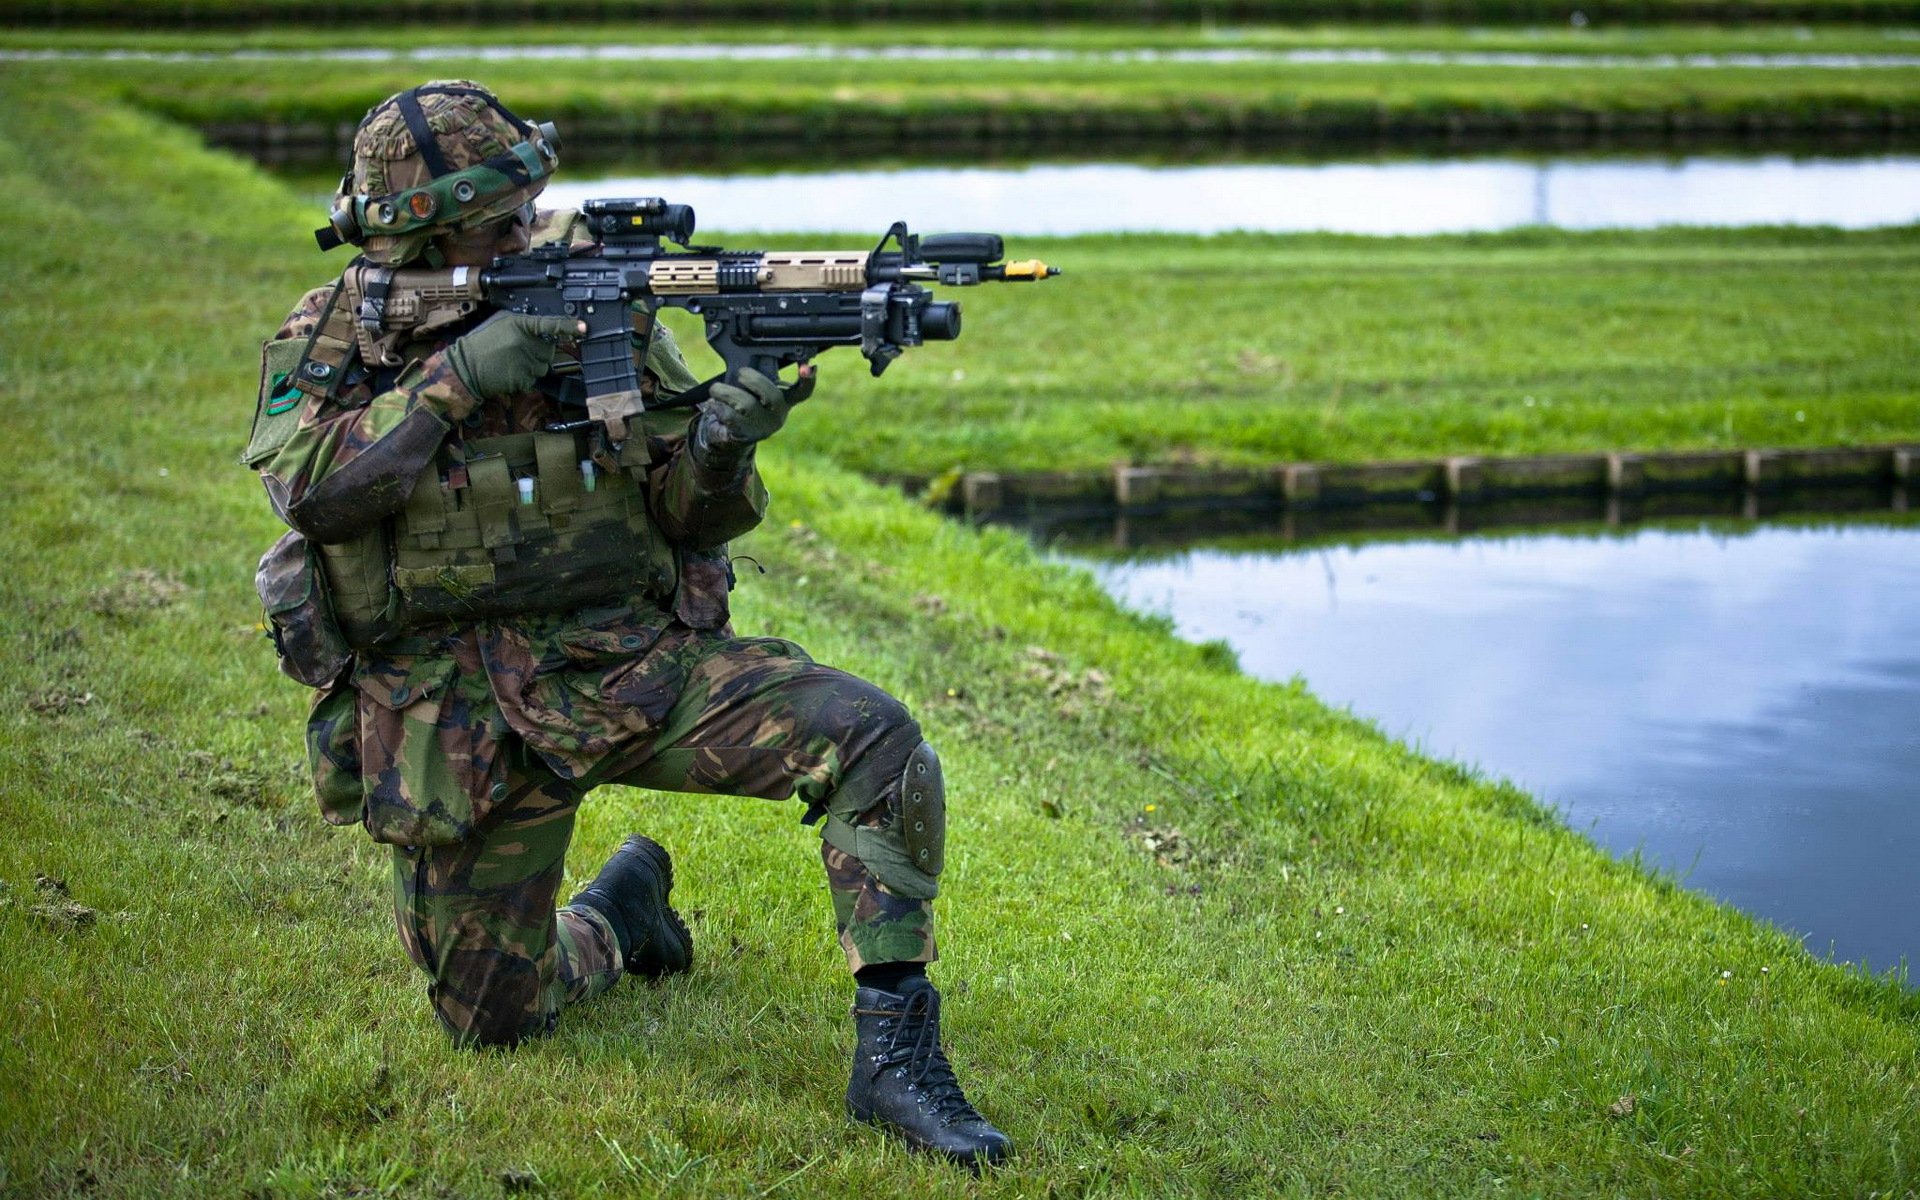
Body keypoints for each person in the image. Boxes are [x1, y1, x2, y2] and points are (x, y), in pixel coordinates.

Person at [244, 80, 1010, 1168]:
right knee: (491, 1023)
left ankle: (896, 1055)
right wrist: (460, 377)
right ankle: (619, 911)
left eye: (530, 208)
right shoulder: (333, 329)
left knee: (872, 735)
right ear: (423, 232)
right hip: (449, 714)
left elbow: (682, 513)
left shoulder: (592, 307)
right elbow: (312, 491)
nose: (530, 232)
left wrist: (724, 440)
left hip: (627, 667)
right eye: (499, 223)